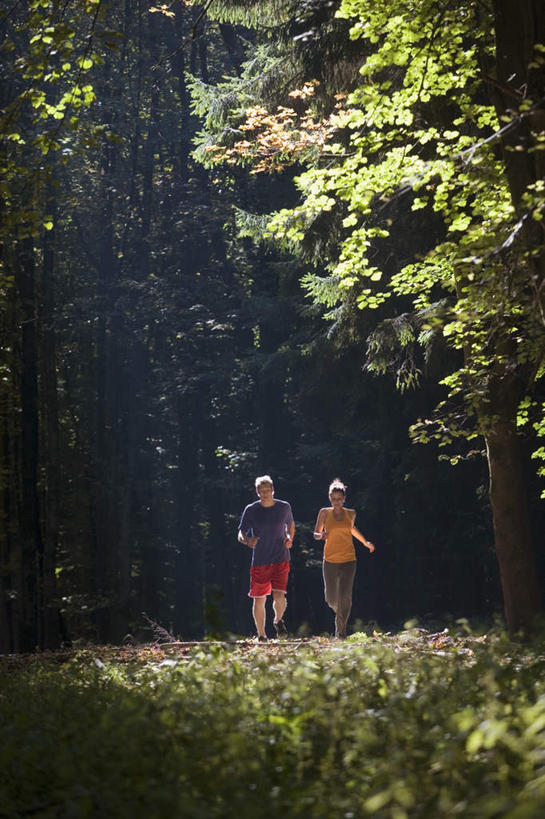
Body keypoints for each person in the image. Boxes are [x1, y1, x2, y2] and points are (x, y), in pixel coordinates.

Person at [313, 478, 375, 638]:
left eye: (339, 499)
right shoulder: (324, 513)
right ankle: (339, 612)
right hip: (330, 561)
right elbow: (315, 533)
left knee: (345, 597)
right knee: (331, 598)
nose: (336, 502)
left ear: (344, 499)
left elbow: (351, 529)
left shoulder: (351, 513)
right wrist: (321, 536)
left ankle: (341, 633)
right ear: (329, 499)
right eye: (333, 499)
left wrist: (365, 542)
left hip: (349, 560)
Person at [238, 475, 295, 642]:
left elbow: (290, 525)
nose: (264, 493)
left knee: (279, 595)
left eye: (267, 490)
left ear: (272, 490)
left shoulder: (284, 507)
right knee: (259, 598)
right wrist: (248, 541)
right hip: (261, 560)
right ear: (257, 492)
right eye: (261, 491)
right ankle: (262, 635)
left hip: (280, 557)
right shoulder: (251, 510)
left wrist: (289, 539)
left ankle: (278, 620)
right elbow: (240, 533)